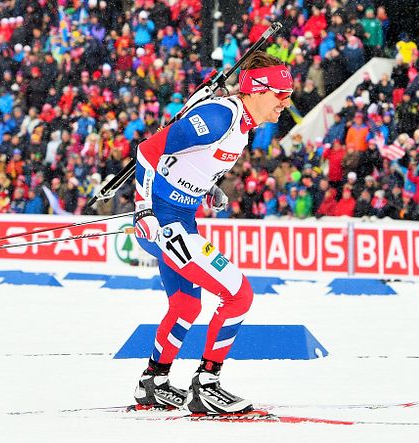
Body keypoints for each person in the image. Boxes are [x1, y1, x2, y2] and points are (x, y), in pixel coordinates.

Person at [132, 52, 293, 415]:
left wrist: (207, 188)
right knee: (239, 294)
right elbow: (149, 149)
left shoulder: (243, 126)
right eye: (279, 95)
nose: (285, 103)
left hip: (182, 216)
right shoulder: (220, 116)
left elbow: (188, 161)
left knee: (186, 305)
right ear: (256, 90)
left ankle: (153, 382)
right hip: (162, 220)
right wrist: (143, 209)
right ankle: (207, 385)